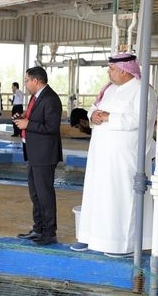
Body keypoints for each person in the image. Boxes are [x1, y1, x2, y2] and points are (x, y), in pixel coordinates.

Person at [71, 53, 157, 257]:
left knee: (121, 198)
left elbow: (142, 118)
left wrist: (110, 117)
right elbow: (94, 107)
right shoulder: (108, 89)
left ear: (124, 71)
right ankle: (92, 238)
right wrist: (93, 115)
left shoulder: (142, 90)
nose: (108, 73)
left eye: (111, 69)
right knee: (97, 196)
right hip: (101, 155)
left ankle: (122, 245)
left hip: (124, 158)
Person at [13, 66, 62, 246]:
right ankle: (38, 228)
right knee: (35, 194)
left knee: (45, 194)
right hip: (34, 153)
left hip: (45, 154)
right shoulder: (37, 97)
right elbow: (36, 120)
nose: (25, 84)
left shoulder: (50, 99)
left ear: (35, 80)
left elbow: (51, 127)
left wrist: (28, 124)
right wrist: (24, 117)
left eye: (26, 80)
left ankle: (49, 233)